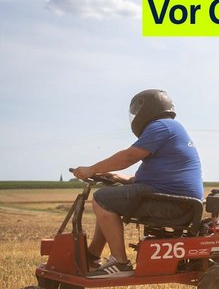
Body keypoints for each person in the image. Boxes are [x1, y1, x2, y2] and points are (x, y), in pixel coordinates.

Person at [72, 89, 203, 278]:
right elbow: (156, 176)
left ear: (147, 108)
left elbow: (129, 156)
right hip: (175, 199)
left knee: (101, 199)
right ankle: (92, 257)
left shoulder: (160, 126)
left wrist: (92, 169)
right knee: (110, 200)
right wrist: (118, 178)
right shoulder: (170, 127)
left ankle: (120, 263)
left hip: (173, 203)